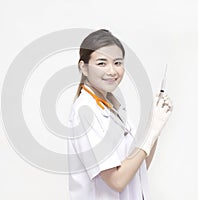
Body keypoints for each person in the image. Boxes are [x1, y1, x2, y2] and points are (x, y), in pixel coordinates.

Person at [67, 29, 173, 200]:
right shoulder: (86, 112)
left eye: (117, 63)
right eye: (102, 63)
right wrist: (151, 132)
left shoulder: (114, 109)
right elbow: (116, 181)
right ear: (84, 68)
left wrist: (154, 127)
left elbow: (139, 168)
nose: (112, 71)